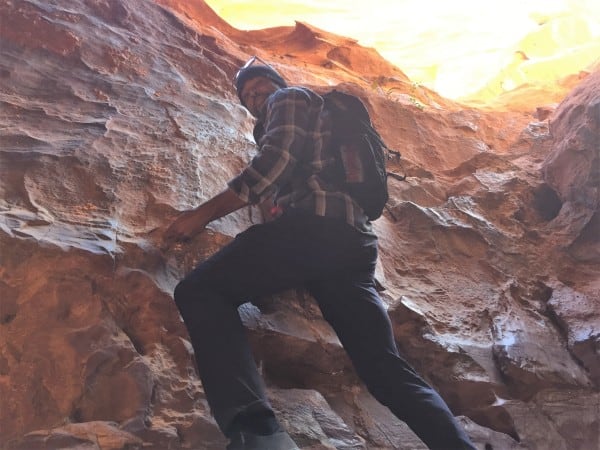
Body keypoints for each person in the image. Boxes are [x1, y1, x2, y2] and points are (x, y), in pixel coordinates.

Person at [164, 56, 477, 450]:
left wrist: (201, 216)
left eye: (260, 84)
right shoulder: (316, 127)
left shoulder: (290, 98)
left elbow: (273, 163)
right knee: (383, 369)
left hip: (315, 231)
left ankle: (258, 435)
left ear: (276, 83)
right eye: (246, 94)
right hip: (352, 247)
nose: (255, 94)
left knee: (201, 291)